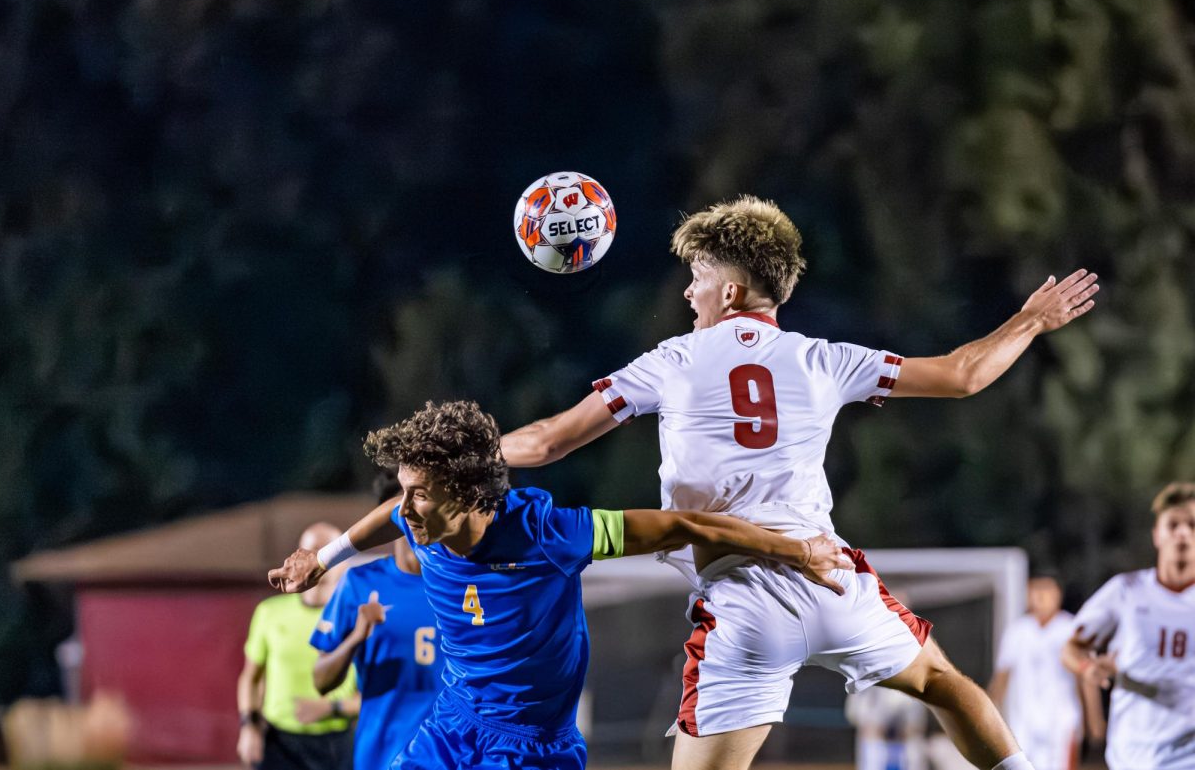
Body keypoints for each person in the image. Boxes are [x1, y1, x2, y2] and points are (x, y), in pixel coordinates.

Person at [498, 195, 1100, 770]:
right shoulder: (825, 358)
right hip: (833, 581)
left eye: (698, 277)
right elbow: (962, 375)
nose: (687, 290)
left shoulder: (672, 360)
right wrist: (1028, 320)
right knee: (942, 682)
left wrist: (460, 458)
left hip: (743, 604)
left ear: (730, 291)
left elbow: (549, 440)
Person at [267, 400, 852, 770]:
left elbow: (683, 525)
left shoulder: (550, 533)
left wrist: (798, 549)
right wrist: (323, 558)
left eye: (419, 492)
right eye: (404, 489)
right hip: (452, 726)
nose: (406, 509)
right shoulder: (420, 519)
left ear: (470, 494)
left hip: (533, 747)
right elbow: (383, 517)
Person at [309, 472, 443, 770]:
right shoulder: (359, 584)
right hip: (383, 756)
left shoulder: (462, 583)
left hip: (454, 756)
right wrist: (357, 637)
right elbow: (321, 680)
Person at [1062, 482, 1195, 770]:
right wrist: (1088, 668)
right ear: (1157, 535)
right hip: (1134, 752)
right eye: (1173, 524)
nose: (1183, 533)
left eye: (1192, 525)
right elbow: (1072, 647)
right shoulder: (1126, 592)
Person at [237, 522, 358, 770]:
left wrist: (331, 707)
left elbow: (380, 693)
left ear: (343, 561)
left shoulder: (358, 618)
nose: (320, 560)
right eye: (312, 551)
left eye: (329, 551)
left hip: (334, 745)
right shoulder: (269, 612)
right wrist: (249, 726)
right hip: (278, 742)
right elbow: (251, 677)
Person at [987, 574, 1085, 770]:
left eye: (1047, 591)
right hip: (1022, 719)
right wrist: (990, 714)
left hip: (1061, 719)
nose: (1041, 596)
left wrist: (1093, 717)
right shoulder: (1017, 630)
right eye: (1036, 590)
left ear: (1058, 594)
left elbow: (1084, 676)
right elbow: (1001, 677)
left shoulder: (1070, 627)